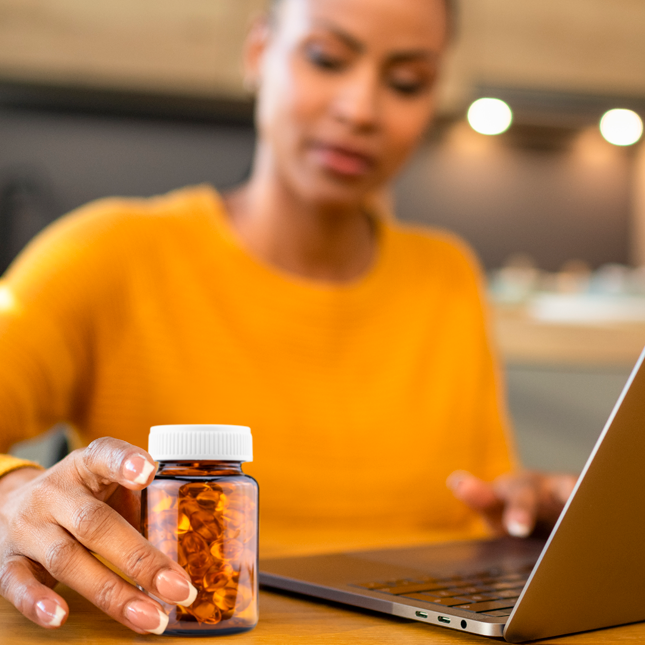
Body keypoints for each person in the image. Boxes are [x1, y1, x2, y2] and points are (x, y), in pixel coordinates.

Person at [0, 0, 576, 636]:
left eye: (406, 81)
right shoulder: (106, 255)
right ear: (258, 54)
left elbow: (482, 494)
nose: (360, 109)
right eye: (326, 58)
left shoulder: (448, 273)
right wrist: (11, 494)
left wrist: (527, 509)